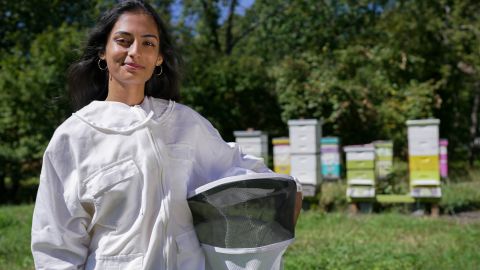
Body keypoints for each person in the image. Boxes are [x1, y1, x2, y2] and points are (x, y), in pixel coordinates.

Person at [31, 1, 301, 269]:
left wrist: (289, 192)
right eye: (123, 41)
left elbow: (238, 169)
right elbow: (56, 244)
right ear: (103, 51)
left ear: (159, 57)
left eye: (148, 43)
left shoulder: (184, 122)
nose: (135, 52)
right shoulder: (73, 137)